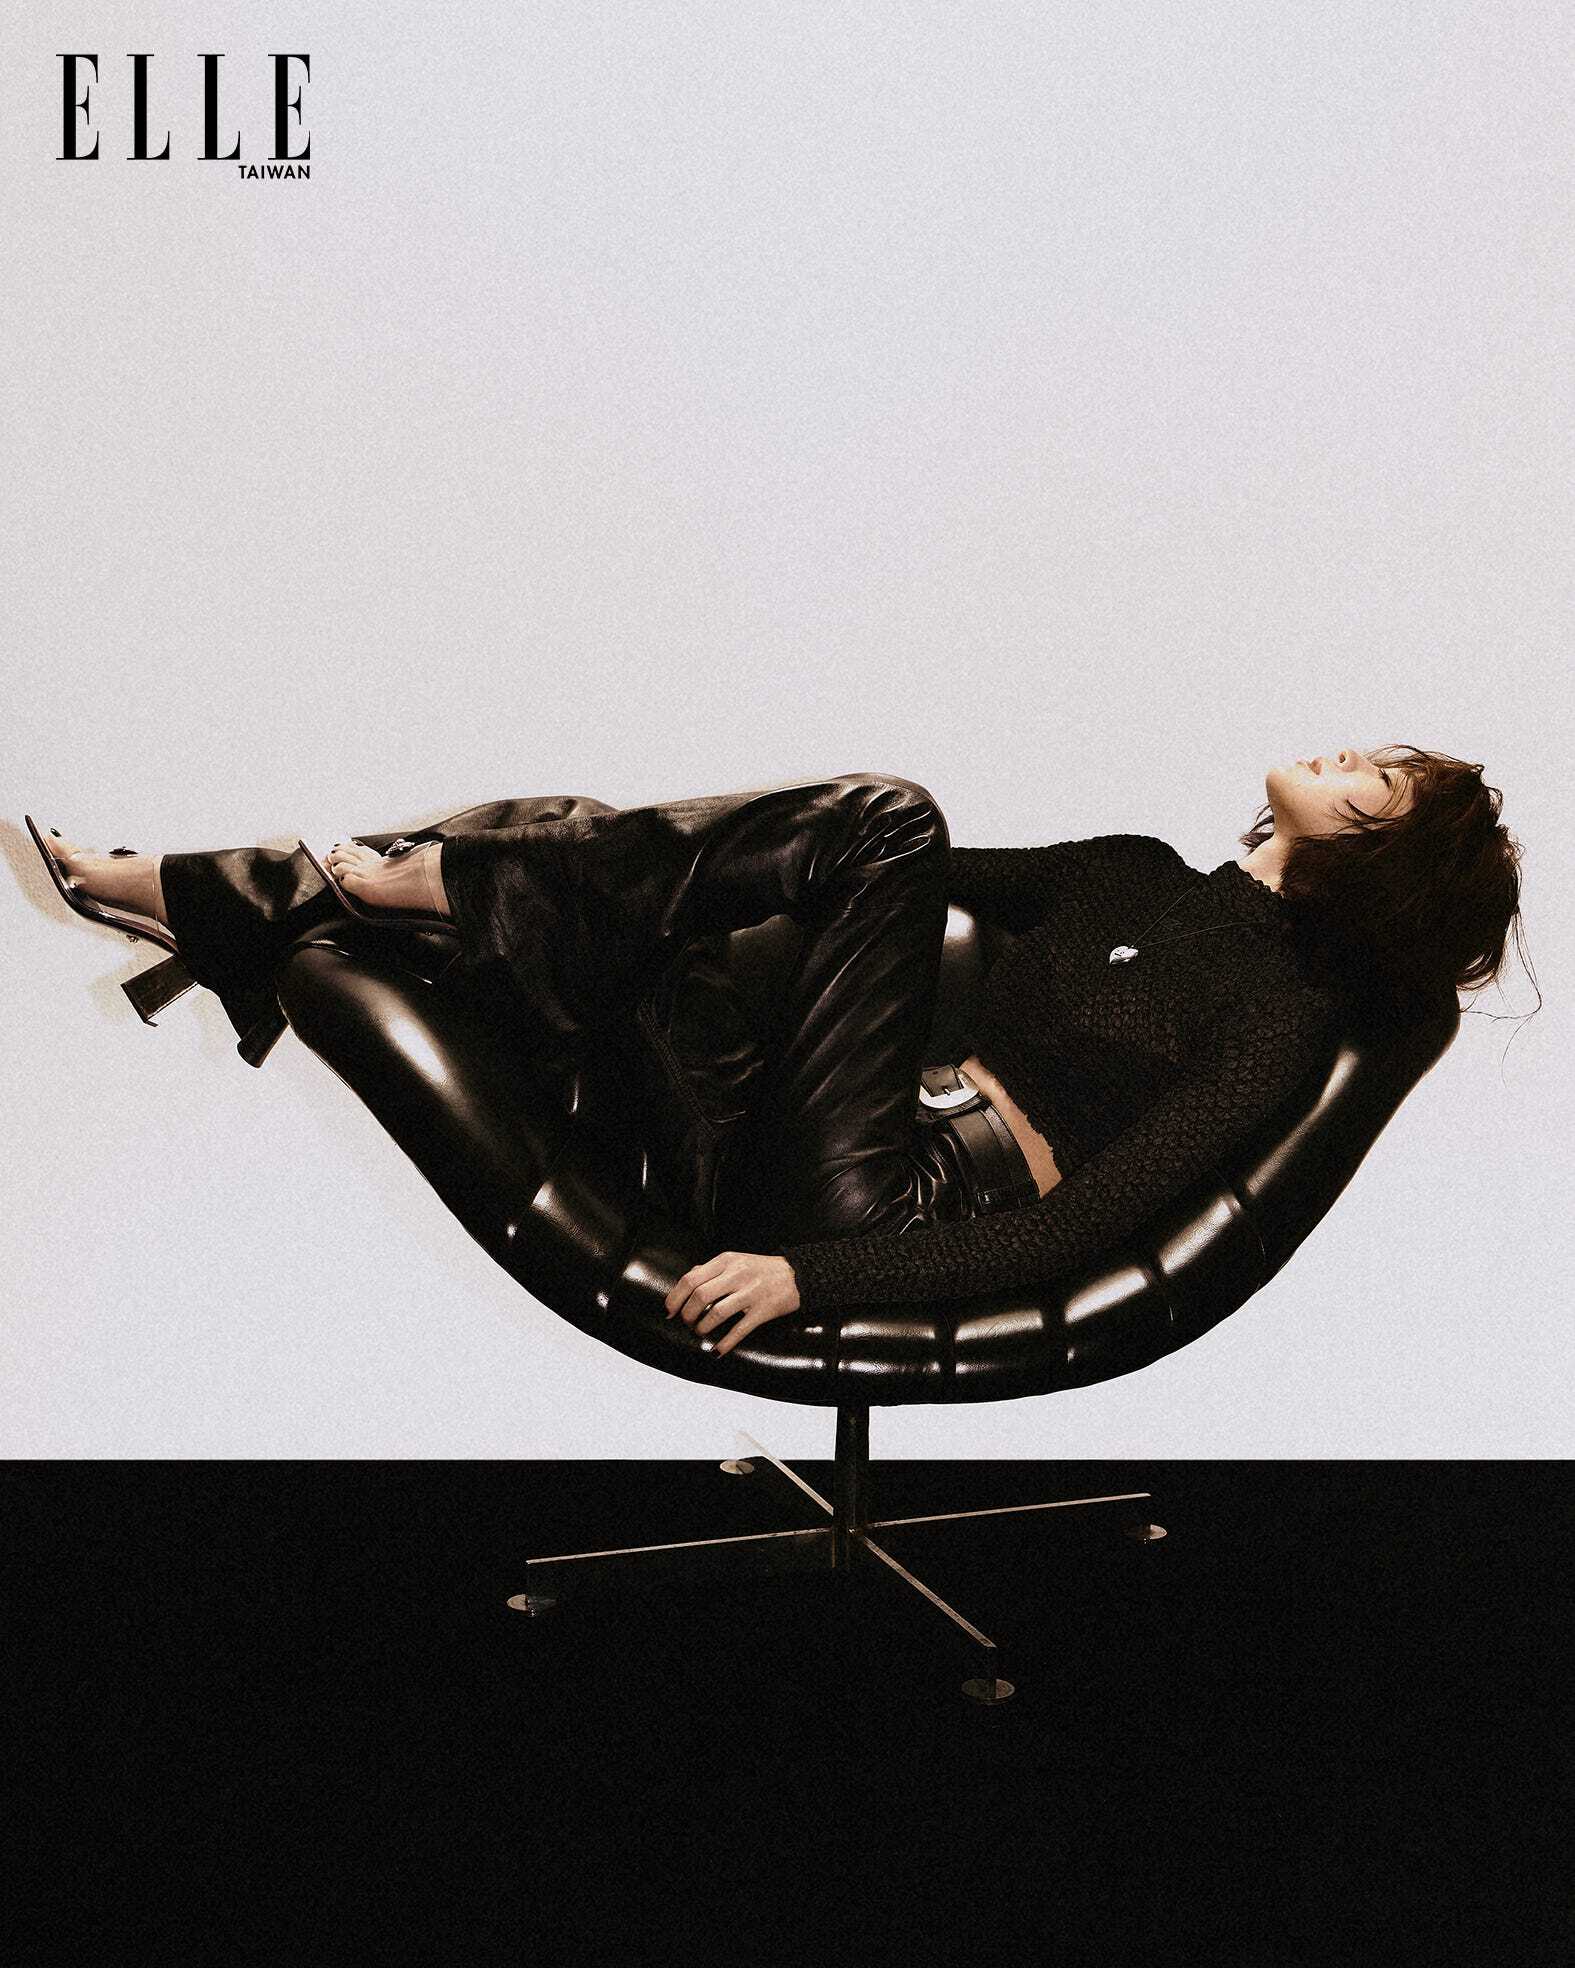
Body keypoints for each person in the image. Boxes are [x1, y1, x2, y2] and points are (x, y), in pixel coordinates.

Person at [28, 745, 1530, 1358]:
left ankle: (218, 900)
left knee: (888, 816)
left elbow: (1086, 1223)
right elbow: (808, 869)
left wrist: (820, 1279)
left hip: (897, 1207)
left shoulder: (1281, 1012)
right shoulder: (1132, 872)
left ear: (1383, 853)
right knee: (583, 845)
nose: (1350, 756)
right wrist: (578, 862)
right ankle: (305, 897)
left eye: (1384, 781)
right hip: (782, 1135)